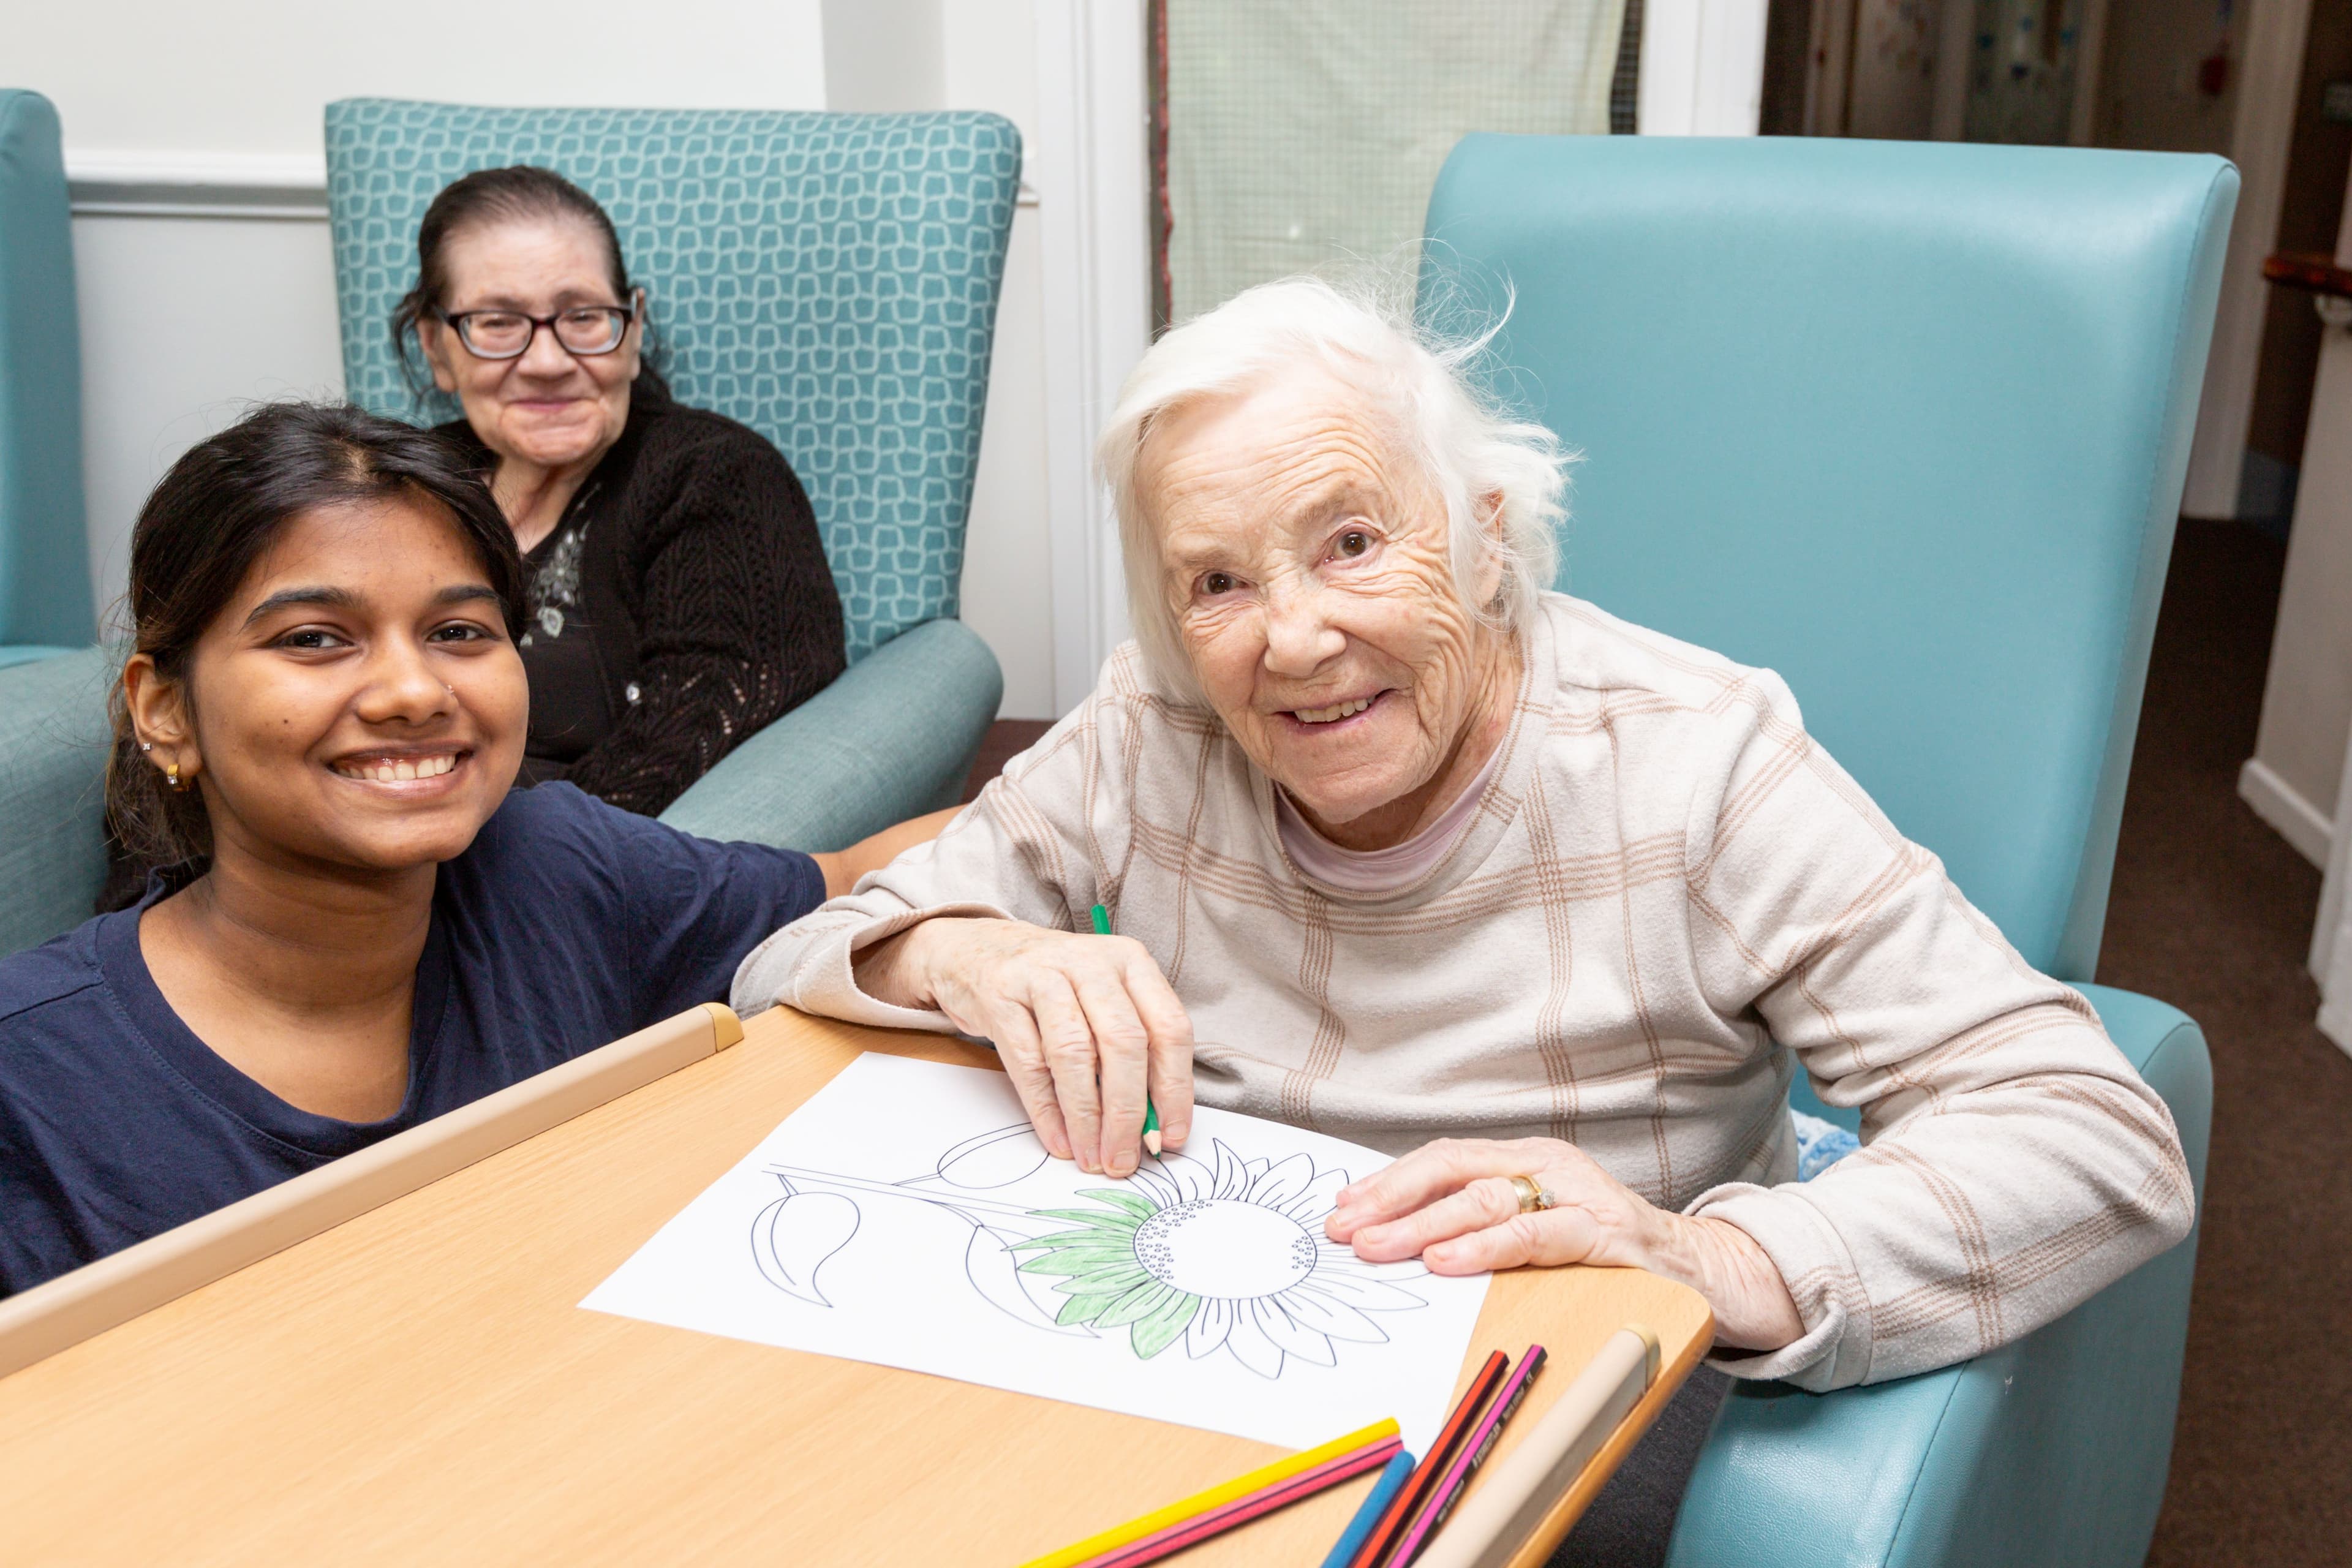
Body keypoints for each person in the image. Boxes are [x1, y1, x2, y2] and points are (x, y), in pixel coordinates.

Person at [731, 278, 2193, 1559]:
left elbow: (2089, 1125)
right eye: (1217, 581)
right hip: (1190, 1342)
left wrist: (1699, 1255)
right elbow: (784, 962)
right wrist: (969, 948)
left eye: (1354, 540)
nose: (1293, 637)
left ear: (1482, 535)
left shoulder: (1697, 761)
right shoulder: (1148, 726)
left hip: (1543, 1386)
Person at [0, 404, 940, 1298]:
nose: (413, 690)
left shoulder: (551, 866)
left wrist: (1025, 867)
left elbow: (853, 879)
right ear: (165, 711)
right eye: (317, 639)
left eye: (458, 632)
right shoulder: (34, 1076)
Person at [393, 165, 845, 813]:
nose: (548, 362)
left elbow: (706, 731)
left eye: (583, 316)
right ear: (438, 349)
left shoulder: (714, 477)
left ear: (631, 329)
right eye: (497, 323)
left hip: (552, 873)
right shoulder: (408, 483)